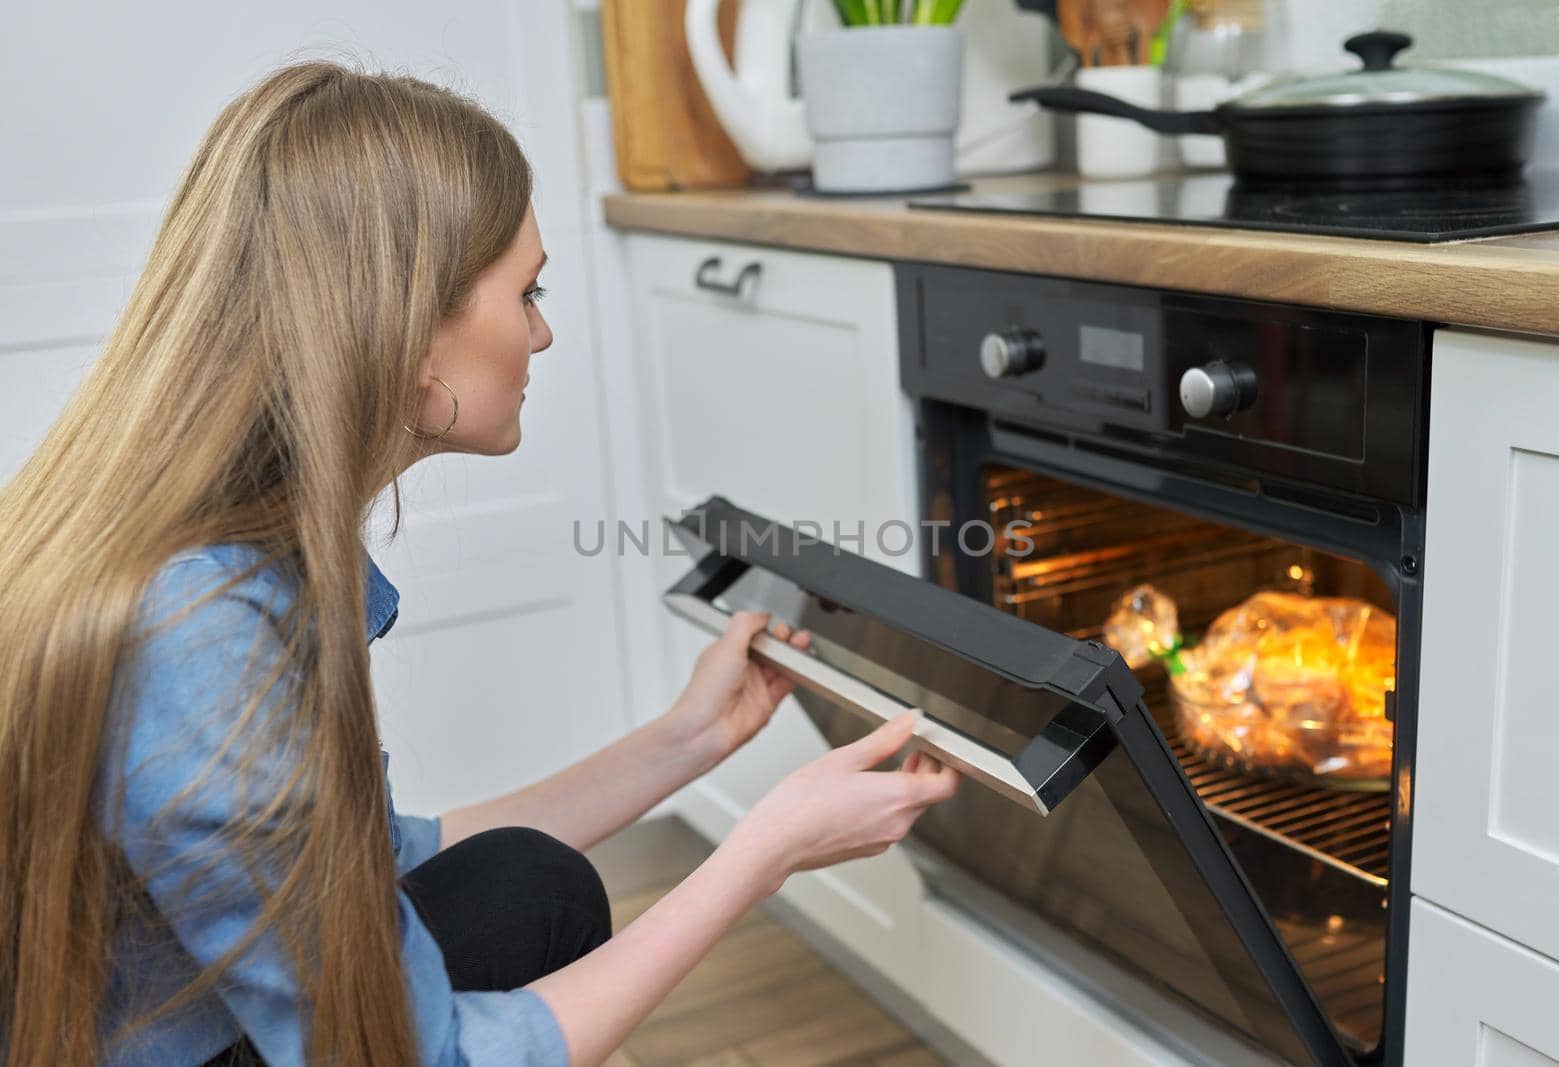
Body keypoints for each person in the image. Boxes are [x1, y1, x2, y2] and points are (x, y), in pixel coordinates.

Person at [0, 61, 962, 1067]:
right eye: (526, 291)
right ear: (409, 324)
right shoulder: (204, 633)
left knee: (530, 885)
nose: (541, 332)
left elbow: (370, 863)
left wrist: (687, 738)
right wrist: (760, 857)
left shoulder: (215, 544)